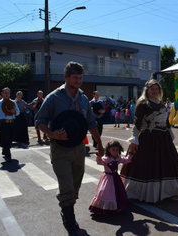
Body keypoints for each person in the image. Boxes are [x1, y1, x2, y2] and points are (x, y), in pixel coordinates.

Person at [35, 61, 104, 236]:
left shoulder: (82, 98)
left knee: (74, 188)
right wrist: (52, 134)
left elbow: (91, 123)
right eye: (75, 78)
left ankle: (67, 211)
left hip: (79, 149)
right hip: (60, 150)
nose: (78, 81)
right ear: (66, 77)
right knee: (66, 188)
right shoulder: (53, 98)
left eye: (80, 78)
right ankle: (71, 225)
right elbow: (39, 121)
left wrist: (100, 144)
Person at [120, 79, 178, 203]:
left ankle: (169, 191)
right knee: (145, 164)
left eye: (156, 89)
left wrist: (170, 132)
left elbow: (165, 120)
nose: (155, 91)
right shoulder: (142, 103)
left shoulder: (160, 103)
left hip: (163, 139)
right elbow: (137, 122)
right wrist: (134, 139)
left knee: (167, 164)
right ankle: (140, 192)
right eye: (152, 89)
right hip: (148, 138)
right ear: (147, 90)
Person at [89, 140, 133, 214]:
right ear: (109, 150)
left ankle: (117, 206)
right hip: (108, 178)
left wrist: (130, 155)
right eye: (113, 150)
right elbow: (100, 162)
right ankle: (104, 208)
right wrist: (99, 156)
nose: (115, 152)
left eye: (117, 150)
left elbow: (125, 160)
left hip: (115, 177)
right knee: (106, 192)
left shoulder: (117, 158)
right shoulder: (107, 159)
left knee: (118, 192)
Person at [0, 87, 20, 162]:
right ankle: (8, 154)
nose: (6, 94)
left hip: (11, 122)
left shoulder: (13, 102)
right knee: (5, 138)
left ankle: (5, 149)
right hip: (3, 122)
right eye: (5, 93)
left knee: (11, 138)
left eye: (8, 93)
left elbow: (18, 112)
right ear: (2, 93)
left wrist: (14, 111)